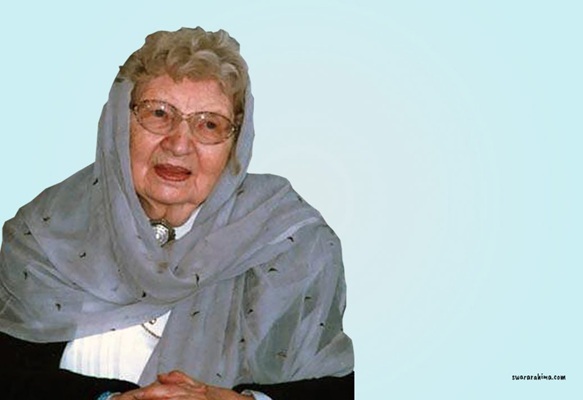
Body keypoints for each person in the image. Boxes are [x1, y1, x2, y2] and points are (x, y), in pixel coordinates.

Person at [0, 27, 354, 400]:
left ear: (236, 144)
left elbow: (337, 388)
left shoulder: (293, 243)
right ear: (119, 125)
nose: (179, 143)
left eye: (209, 124)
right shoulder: (45, 234)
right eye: (158, 113)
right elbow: (9, 374)